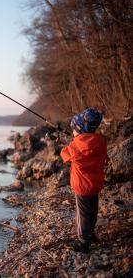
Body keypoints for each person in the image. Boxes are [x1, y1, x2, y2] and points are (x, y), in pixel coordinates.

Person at [60, 108, 107, 253]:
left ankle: (83, 240)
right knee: (92, 211)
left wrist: (66, 143)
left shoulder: (75, 146)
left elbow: (64, 155)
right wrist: (76, 139)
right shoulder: (100, 142)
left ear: (80, 129)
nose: (73, 132)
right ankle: (90, 233)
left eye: (74, 129)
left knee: (82, 214)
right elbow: (85, 146)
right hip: (95, 184)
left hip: (82, 186)